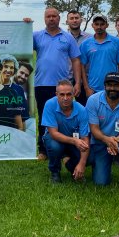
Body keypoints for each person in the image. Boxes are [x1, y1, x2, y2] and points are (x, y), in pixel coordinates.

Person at [30, 8, 83, 159]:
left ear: (59, 18)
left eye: (54, 16)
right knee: (43, 116)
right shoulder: (37, 36)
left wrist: (77, 83)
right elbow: (21, 41)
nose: (51, 19)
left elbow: (76, 60)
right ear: (44, 18)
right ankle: (43, 150)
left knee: (64, 117)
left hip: (62, 86)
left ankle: (65, 149)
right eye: (48, 16)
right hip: (41, 84)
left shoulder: (68, 37)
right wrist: (25, 26)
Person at [41, 80, 90, 183]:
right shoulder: (50, 104)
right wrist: (74, 141)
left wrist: (82, 164)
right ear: (56, 94)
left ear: (73, 95)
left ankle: (71, 165)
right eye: (62, 94)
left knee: (90, 156)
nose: (65, 98)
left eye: (69, 94)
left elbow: (85, 139)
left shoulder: (81, 110)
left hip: (72, 140)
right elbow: (54, 133)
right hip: (54, 138)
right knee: (55, 146)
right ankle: (55, 172)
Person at [80, 14, 119, 98]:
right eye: (96, 24)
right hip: (93, 88)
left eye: (102, 24)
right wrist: (86, 87)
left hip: (113, 88)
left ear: (107, 25)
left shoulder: (116, 42)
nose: (99, 27)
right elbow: (81, 66)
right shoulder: (86, 44)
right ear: (92, 25)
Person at [0, 54, 29, 122]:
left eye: (11, 67)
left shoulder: (19, 89)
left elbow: (23, 118)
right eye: (5, 66)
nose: (8, 70)